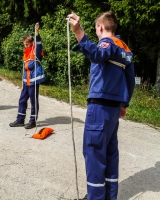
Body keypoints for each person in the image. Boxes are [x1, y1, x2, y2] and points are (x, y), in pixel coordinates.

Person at [67, 12, 135, 200]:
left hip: (100, 107)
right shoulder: (125, 48)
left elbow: (97, 55)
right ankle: (109, 196)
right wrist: (124, 103)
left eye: (96, 29)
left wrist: (78, 31)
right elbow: (130, 80)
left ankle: (95, 197)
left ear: (101, 28)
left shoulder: (107, 43)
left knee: (94, 151)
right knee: (110, 152)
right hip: (114, 108)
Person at [9, 23, 45, 129]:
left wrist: (36, 32)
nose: (25, 46)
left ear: (31, 43)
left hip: (33, 81)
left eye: (27, 44)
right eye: (24, 44)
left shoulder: (36, 50)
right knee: (22, 100)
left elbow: (39, 43)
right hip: (26, 81)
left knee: (33, 102)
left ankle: (32, 121)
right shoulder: (26, 53)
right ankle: (20, 120)